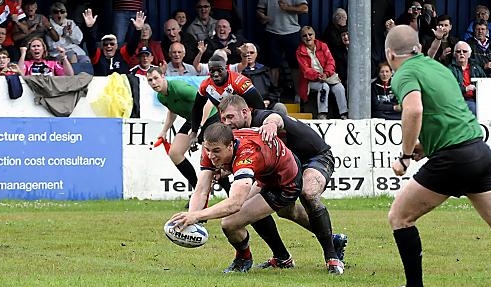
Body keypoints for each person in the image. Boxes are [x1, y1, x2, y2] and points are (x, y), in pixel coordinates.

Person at [375, 25, 491, 287]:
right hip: (477, 150)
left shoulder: (404, 73)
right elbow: (445, 116)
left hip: (454, 159)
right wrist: (426, 147)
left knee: (400, 216)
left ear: (389, 54)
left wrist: (406, 155)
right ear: (419, 49)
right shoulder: (437, 69)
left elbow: (414, 111)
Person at [218, 94, 347, 272]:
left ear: (245, 112)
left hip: (314, 157)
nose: (226, 122)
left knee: (308, 193)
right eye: (223, 118)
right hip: (283, 170)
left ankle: (332, 257)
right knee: (261, 207)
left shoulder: (260, 118)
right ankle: (283, 257)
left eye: (230, 117)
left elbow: (275, 116)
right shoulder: (236, 135)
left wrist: (271, 125)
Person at [168, 123, 303, 273]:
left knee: (231, 221)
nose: (211, 155)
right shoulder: (212, 147)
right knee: (250, 214)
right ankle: (284, 257)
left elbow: (234, 203)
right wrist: (191, 218)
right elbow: (201, 190)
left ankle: (245, 259)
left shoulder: (247, 154)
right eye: (208, 150)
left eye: (217, 151)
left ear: (230, 146)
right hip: (263, 176)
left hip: (284, 181)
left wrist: (197, 215)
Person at [146, 66, 229, 194]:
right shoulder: (161, 97)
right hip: (192, 120)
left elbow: (207, 102)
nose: (153, 83)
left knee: (214, 160)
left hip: (210, 117)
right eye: (150, 80)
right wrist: (164, 131)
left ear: (163, 76)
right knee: (175, 153)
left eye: (156, 78)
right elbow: (172, 110)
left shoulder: (180, 88)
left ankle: (231, 194)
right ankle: (198, 192)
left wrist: (198, 128)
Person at [256, 0, 308, 93]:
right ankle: (273, 93)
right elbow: (259, 11)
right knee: (273, 65)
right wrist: (262, 17)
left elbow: (305, 8)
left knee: (295, 65)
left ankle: (298, 94)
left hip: (292, 32)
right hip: (272, 32)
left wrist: (288, 8)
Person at [296, 26, 348, 120]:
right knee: (324, 87)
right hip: (310, 80)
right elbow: (306, 70)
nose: (308, 37)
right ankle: (322, 114)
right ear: (301, 38)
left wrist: (326, 74)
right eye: (305, 36)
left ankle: (344, 113)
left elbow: (331, 62)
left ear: (314, 35)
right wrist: (318, 76)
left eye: (310, 34)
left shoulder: (323, 45)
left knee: (339, 87)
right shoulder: (299, 51)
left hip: (327, 75)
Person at [82, 8, 143, 76]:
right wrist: (90, 28)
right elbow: (91, 43)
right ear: (102, 46)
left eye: (112, 44)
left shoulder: (123, 54)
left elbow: (133, 44)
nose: (108, 46)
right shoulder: (98, 55)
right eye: (105, 44)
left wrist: (138, 30)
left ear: (116, 46)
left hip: (121, 85)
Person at [447, 41, 486, 116]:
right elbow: (448, 89)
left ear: (469, 54)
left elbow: (485, 83)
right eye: (458, 51)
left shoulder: (476, 68)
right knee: (473, 109)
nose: (461, 53)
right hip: (458, 100)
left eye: (464, 51)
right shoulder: (450, 69)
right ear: (454, 54)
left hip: (476, 99)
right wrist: (465, 89)